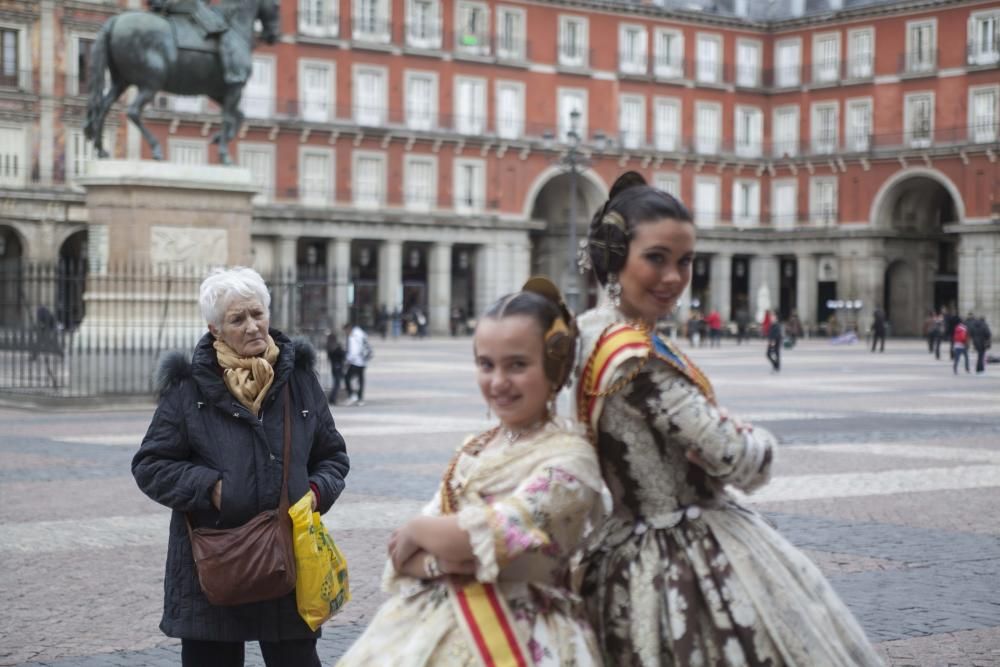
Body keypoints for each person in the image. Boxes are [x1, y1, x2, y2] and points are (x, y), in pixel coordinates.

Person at [575, 172, 881, 666]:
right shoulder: (637, 358)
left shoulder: (588, 335)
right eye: (656, 258)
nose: (673, 277)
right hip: (680, 554)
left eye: (685, 262)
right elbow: (735, 456)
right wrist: (757, 441)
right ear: (615, 258)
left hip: (619, 545)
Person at [337, 278, 604, 666]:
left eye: (517, 365)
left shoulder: (572, 457)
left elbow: (492, 534)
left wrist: (419, 531)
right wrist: (441, 560)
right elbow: (399, 555)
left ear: (554, 363)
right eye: (486, 364)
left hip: (527, 639)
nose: (498, 382)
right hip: (437, 625)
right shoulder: (475, 447)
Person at [132, 267, 350, 667]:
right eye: (238, 319)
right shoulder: (188, 387)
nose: (253, 327)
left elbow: (333, 456)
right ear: (215, 329)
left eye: (257, 314)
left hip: (288, 555)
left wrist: (314, 493)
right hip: (213, 560)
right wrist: (212, 488)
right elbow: (151, 465)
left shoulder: (298, 379)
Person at [343, 321, 370, 406]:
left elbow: (353, 351)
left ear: (348, 329)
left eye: (345, 331)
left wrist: (347, 361)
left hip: (356, 361)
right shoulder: (361, 333)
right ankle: (360, 398)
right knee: (360, 380)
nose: (346, 333)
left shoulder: (353, 336)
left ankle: (352, 395)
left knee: (347, 378)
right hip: (363, 361)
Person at [325, 328, 346, 404]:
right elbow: (343, 354)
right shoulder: (336, 347)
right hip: (338, 366)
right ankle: (332, 398)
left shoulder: (329, 346)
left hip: (334, 366)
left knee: (336, 382)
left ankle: (332, 398)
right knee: (337, 383)